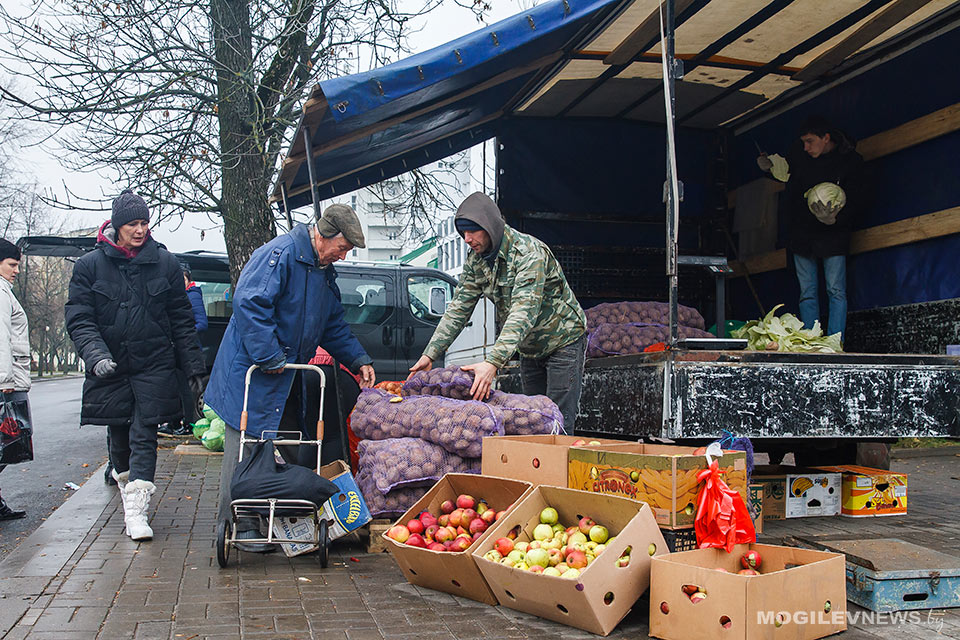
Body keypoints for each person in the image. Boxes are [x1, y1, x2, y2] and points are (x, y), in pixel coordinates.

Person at [204, 203, 376, 552]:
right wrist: (268, 354)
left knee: (277, 446)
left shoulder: (322, 270)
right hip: (252, 370)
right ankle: (236, 523)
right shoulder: (280, 254)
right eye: (342, 248)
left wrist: (357, 358)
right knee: (244, 447)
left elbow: (331, 324)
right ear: (325, 235)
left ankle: (267, 517)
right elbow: (249, 302)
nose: (342, 257)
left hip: (283, 373)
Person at [65, 190, 205, 541]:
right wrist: (96, 356)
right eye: (132, 224)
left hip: (154, 365)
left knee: (144, 433)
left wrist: (195, 370)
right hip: (110, 367)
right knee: (119, 436)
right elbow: (80, 318)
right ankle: (126, 484)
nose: (140, 230)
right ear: (116, 225)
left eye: (144, 223)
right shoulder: (89, 266)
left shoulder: (166, 263)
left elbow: (181, 320)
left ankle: (137, 511)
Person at [409, 192, 587, 430]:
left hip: (562, 341)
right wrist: (430, 354)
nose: (467, 239)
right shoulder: (476, 260)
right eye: (463, 232)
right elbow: (459, 307)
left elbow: (523, 312)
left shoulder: (529, 253)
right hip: (529, 348)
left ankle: (561, 465)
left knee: (558, 421)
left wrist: (492, 362)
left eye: (473, 231)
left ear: (491, 226)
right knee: (533, 420)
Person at [758, 116, 864, 341]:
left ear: (826, 138)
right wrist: (768, 167)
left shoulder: (850, 160)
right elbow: (784, 171)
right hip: (802, 234)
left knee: (836, 291)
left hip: (834, 234)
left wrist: (836, 219)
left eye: (810, 141)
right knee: (807, 293)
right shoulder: (799, 154)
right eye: (803, 142)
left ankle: (836, 342)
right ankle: (810, 340)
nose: (806, 147)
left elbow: (859, 199)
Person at [158, 263, 208, 437]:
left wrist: (181, 334)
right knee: (175, 387)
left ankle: (187, 424)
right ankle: (174, 422)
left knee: (186, 389)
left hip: (186, 349)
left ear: (188, 280)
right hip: (176, 348)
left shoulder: (192, 296)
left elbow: (201, 323)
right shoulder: (179, 296)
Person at [0, 239, 29, 521]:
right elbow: (1, 339)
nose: (16, 270)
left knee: (8, 445)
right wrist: (4, 380)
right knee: (7, 444)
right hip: (6, 382)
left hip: (9, 378)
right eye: (12, 265)